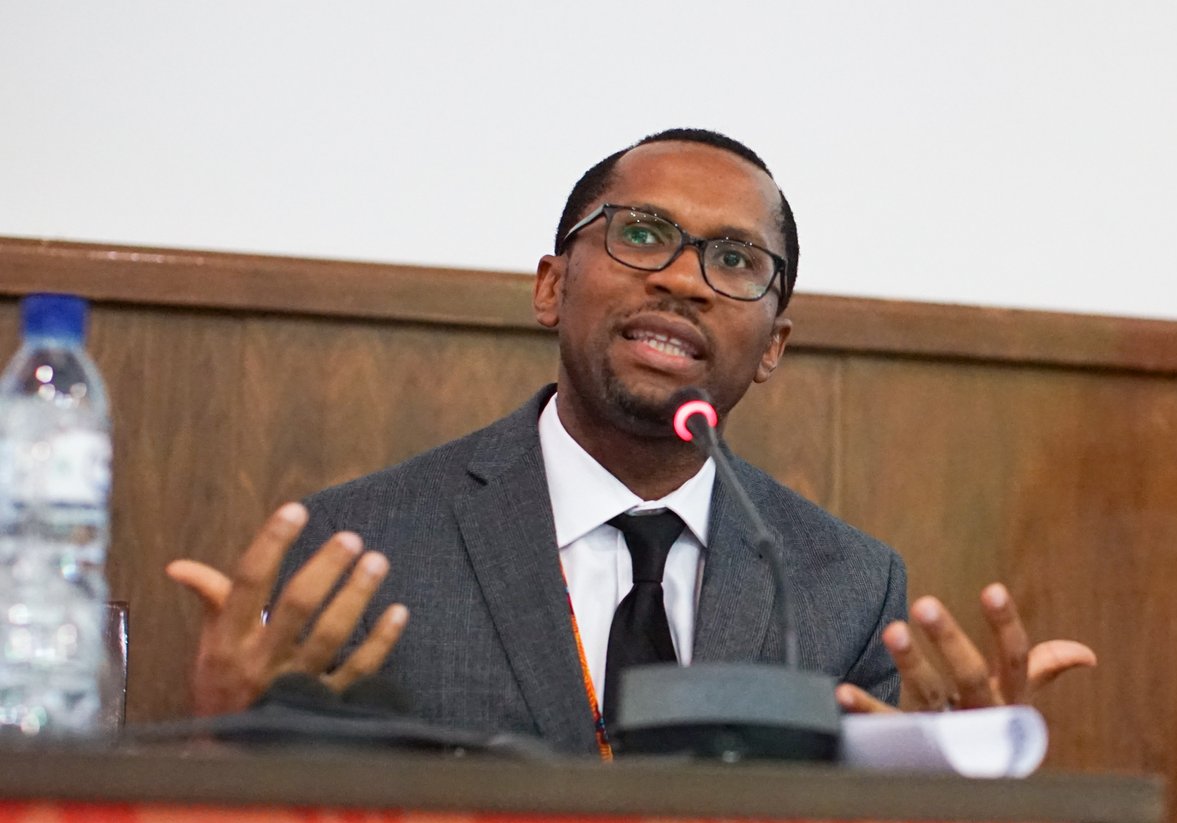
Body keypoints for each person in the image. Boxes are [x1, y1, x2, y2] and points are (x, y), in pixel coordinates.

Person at [166, 129, 1096, 756]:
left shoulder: (841, 585)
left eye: (734, 260)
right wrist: (225, 741)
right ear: (552, 287)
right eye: (643, 234)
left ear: (773, 347)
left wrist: (952, 776)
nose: (685, 281)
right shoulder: (362, 547)